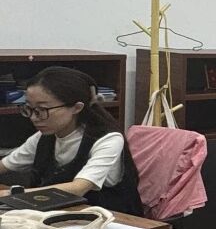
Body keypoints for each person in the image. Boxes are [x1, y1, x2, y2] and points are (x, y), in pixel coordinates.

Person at [0, 66, 142, 214]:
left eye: (42, 109)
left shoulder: (108, 139)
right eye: (29, 108)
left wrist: (11, 194)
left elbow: (78, 188)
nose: (34, 117)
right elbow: (5, 165)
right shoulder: (43, 137)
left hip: (113, 219)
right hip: (60, 214)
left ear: (76, 107)